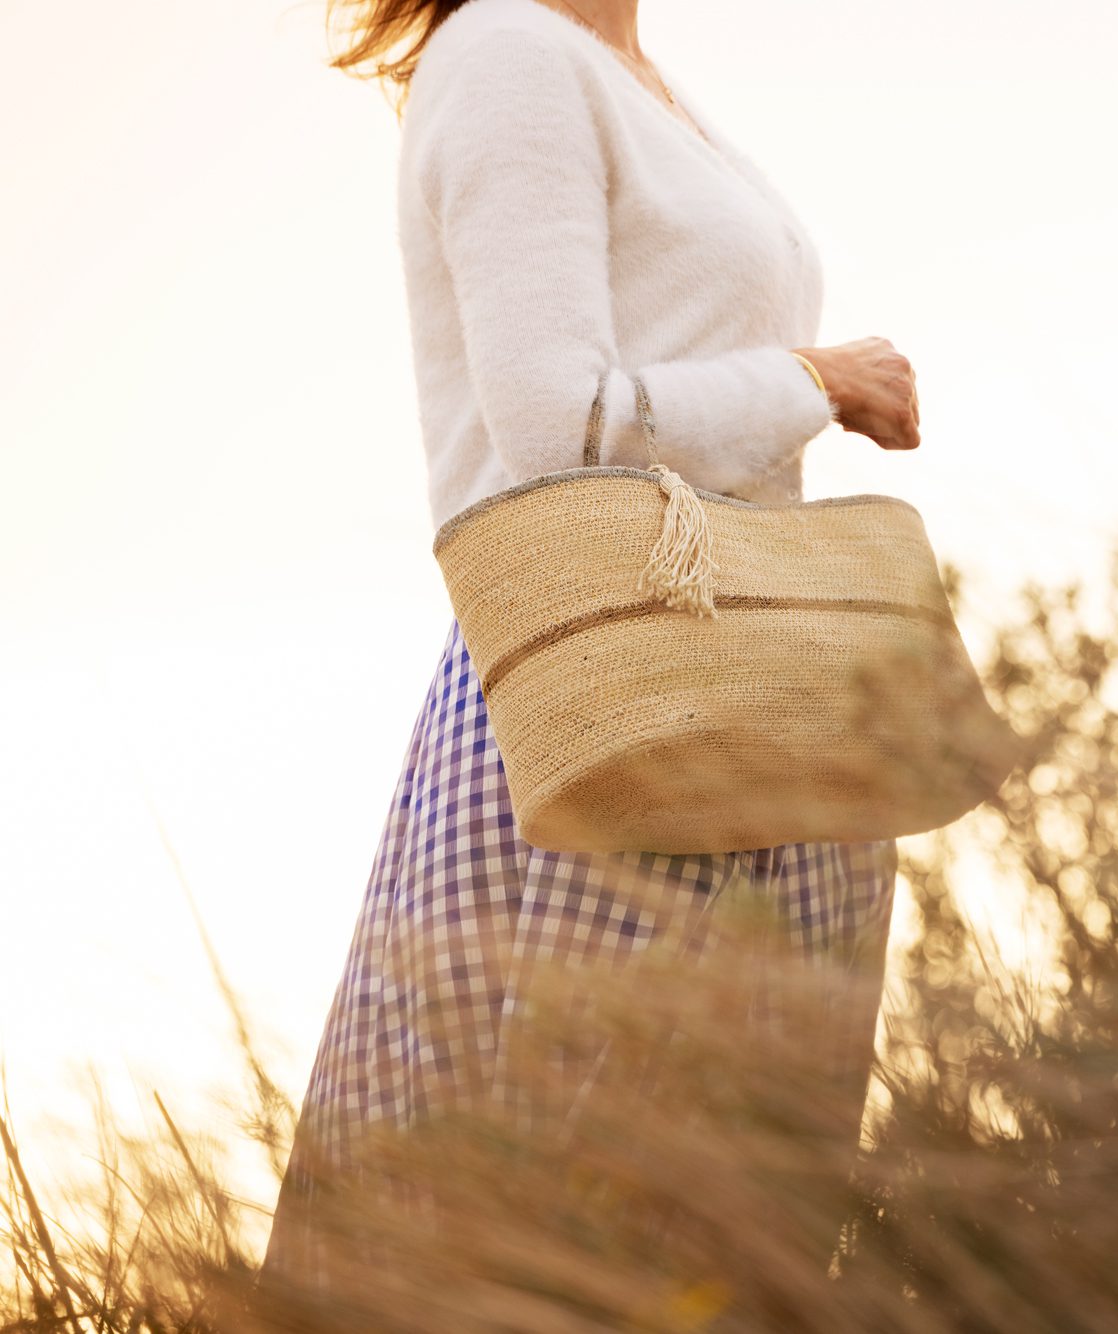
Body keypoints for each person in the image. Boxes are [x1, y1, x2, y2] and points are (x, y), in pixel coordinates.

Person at [259, 0, 923, 1303]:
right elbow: (557, 421)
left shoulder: (634, 74)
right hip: (604, 692)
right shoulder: (507, 51)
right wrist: (817, 381)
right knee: (536, 1207)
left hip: (741, 690)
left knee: (727, 1223)